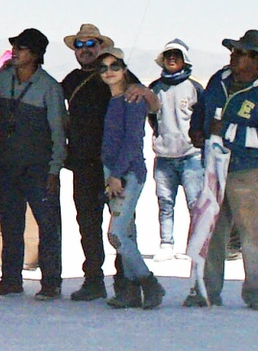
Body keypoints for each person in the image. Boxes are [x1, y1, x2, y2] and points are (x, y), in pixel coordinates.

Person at [189, 30, 258, 311]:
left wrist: (229, 131)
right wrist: (197, 128)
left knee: (252, 235)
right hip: (213, 168)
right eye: (233, 50)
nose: (233, 56)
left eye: (240, 52)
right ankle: (205, 291)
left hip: (248, 172)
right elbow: (203, 109)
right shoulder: (219, 80)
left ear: (256, 59)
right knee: (211, 232)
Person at [59, 24, 153, 302]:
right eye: (80, 45)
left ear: (101, 46)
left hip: (116, 166)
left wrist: (145, 92)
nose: (85, 50)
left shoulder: (118, 73)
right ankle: (93, 280)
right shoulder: (72, 80)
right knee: (87, 223)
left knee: (121, 228)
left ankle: (127, 284)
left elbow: (145, 99)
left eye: (91, 44)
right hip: (83, 165)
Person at [0, 29, 68, 299]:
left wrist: (55, 169)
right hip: (7, 166)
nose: (15, 52)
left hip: (39, 168)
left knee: (48, 226)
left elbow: (58, 131)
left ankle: (51, 283)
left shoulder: (49, 87)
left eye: (21, 48)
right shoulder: (3, 79)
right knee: (10, 225)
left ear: (35, 55)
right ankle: (11, 280)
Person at [97, 46, 164, 310]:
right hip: (112, 171)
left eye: (114, 66)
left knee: (116, 233)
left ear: (124, 70)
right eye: (103, 68)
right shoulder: (114, 101)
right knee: (127, 233)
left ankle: (149, 283)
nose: (109, 72)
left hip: (127, 173)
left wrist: (116, 175)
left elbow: (132, 140)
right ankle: (133, 292)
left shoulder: (132, 100)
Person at [148, 39, 204, 260]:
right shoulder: (155, 88)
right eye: (168, 55)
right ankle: (166, 243)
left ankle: (196, 244)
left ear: (184, 60)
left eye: (176, 55)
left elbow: (202, 118)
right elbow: (153, 119)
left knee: (195, 203)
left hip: (191, 156)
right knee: (165, 202)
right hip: (164, 157)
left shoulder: (194, 87)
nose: (172, 58)